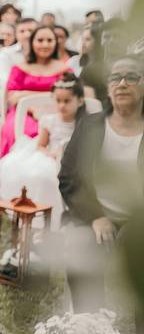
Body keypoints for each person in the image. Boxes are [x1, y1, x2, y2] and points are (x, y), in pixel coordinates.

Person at [59, 56, 144, 315]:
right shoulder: (91, 126)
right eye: (115, 78)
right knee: (78, 246)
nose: (122, 83)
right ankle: (90, 323)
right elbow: (69, 178)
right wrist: (96, 217)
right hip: (94, 214)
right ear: (107, 88)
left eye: (131, 77)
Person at [0, 72, 85, 230]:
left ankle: (67, 217)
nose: (62, 105)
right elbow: (41, 146)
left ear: (80, 101)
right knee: (42, 176)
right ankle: (41, 220)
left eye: (67, 101)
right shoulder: (50, 121)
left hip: (73, 160)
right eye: (58, 101)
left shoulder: (83, 123)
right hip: (50, 157)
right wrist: (51, 153)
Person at [0, 25, 71, 157]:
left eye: (49, 40)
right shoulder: (19, 68)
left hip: (58, 112)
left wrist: (26, 94)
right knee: (19, 131)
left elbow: (70, 94)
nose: (45, 44)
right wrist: (34, 108)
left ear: (55, 43)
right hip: (23, 113)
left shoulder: (64, 69)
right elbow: (13, 97)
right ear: (32, 42)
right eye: (40, 40)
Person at [0, 18, 38, 114]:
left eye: (31, 31)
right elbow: (3, 79)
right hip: (13, 103)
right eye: (22, 31)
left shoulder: (44, 54)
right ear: (16, 35)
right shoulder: (6, 53)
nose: (27, 35)